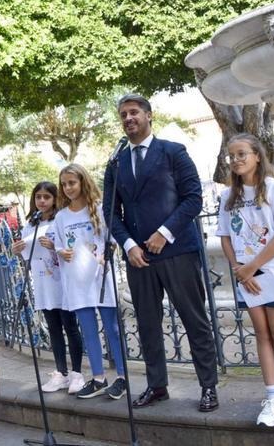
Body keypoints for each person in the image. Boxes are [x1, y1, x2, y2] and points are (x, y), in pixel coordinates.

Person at [103, 93, 219, 412]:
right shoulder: (116, 162)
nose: (128, 118)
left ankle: (208, 386)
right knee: (147, 323)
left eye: (134, 112)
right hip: (139, 258)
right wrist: (129, 245)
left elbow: (193, 198)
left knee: (194, 320)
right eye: (123, 114)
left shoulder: (173, 152)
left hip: (178, 251)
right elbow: (110, 211)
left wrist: (163, 233)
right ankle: (157, 385)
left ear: (149, 115)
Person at [216, 133, 274, 427]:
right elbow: (226, 237)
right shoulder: (229, 197)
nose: (236, 160)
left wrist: (253, 266)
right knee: (261, 333)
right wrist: (239, 268)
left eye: (242, 154)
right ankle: (272, 397)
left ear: (257, 155)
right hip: (247, 275)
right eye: (232, 156)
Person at [53, 164, 126, 400]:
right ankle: (98, 378)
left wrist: (107, 252)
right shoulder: (61, 216)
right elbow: (58, 244)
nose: (68, 188)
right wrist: (61, 251)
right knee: (89, 330)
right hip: (77, 282)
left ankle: (122, 378)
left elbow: (112, 239)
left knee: (112, 329)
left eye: (72, 182)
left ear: (83, 182)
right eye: (64, 184)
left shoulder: (100, 209)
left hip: (100, 278)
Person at [12, 181, 85, 394]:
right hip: (43, 282)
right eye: (38, 197)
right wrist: (17, 249)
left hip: (62, 282)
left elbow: (72, 247)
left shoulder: (61, 219)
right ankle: (61, 372)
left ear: (55, 198)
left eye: (47, 197)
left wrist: (55, 247)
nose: (42, 201)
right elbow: (27, 252)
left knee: (70, 327)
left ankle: (77, 374)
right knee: (53, 328)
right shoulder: (30, 224)